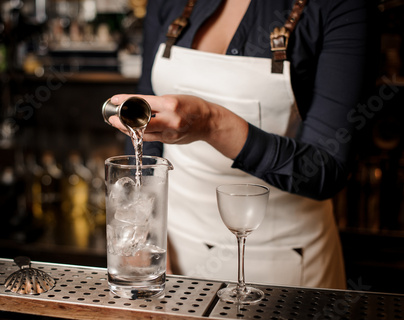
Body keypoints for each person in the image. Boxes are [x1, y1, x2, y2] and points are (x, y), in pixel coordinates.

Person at [107, 0, 373, 289]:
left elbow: (326, 170)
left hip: (282, 261)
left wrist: (211, 123)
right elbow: (145, 113)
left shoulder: (342, 6)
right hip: (173, 247)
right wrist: (146, 233)